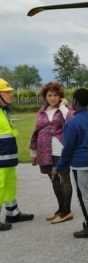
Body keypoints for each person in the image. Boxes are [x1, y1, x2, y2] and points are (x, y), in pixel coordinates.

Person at [53, 88, 88, 238]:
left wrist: (60, 166)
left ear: (75, 101)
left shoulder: (72, 122)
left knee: (83, 195)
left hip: (81, 164)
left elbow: (68, 148)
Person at [30, 81, 74, 224]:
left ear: (60, 96)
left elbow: (71, 119)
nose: (52, 98)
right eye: (49, 95)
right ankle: (60, 209)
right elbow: (36, 132)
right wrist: (34, 152)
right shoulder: (41, 111)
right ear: (45, 96)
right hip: (45, 151)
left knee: (63, 177)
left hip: (61, 149)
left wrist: (62, 106)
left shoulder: (65, 108)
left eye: (55, 95)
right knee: (53, 179)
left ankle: (67, 211)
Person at [0, 79, 34, 230]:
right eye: (7, 92)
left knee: (9, 186)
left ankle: (12, 213)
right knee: (0, 187)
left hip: (7, 157)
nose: (11, 94)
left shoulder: (3, 111)